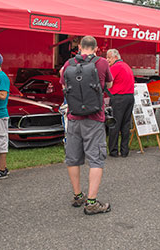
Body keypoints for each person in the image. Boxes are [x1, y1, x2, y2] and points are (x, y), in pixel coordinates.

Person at [60, 36, 113, 215]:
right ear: (96, 48)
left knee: (73, 158)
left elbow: (63, 85)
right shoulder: (102, 62)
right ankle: (91, 202)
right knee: (96, 159)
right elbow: (109, 84)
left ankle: (77, 196)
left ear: (80, 47)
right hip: (94, 118)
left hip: (74, 117)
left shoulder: (68, 64)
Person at [106, 49, 134, 158]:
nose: (107, 60)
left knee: (114, 124)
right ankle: (124, 151)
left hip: (119, 98)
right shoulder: (126, 66)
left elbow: (109, 82)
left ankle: (113, 151)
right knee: (125, 125)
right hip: (129, 97)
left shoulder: (115, 67)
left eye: (109, 57)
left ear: (115, 57)